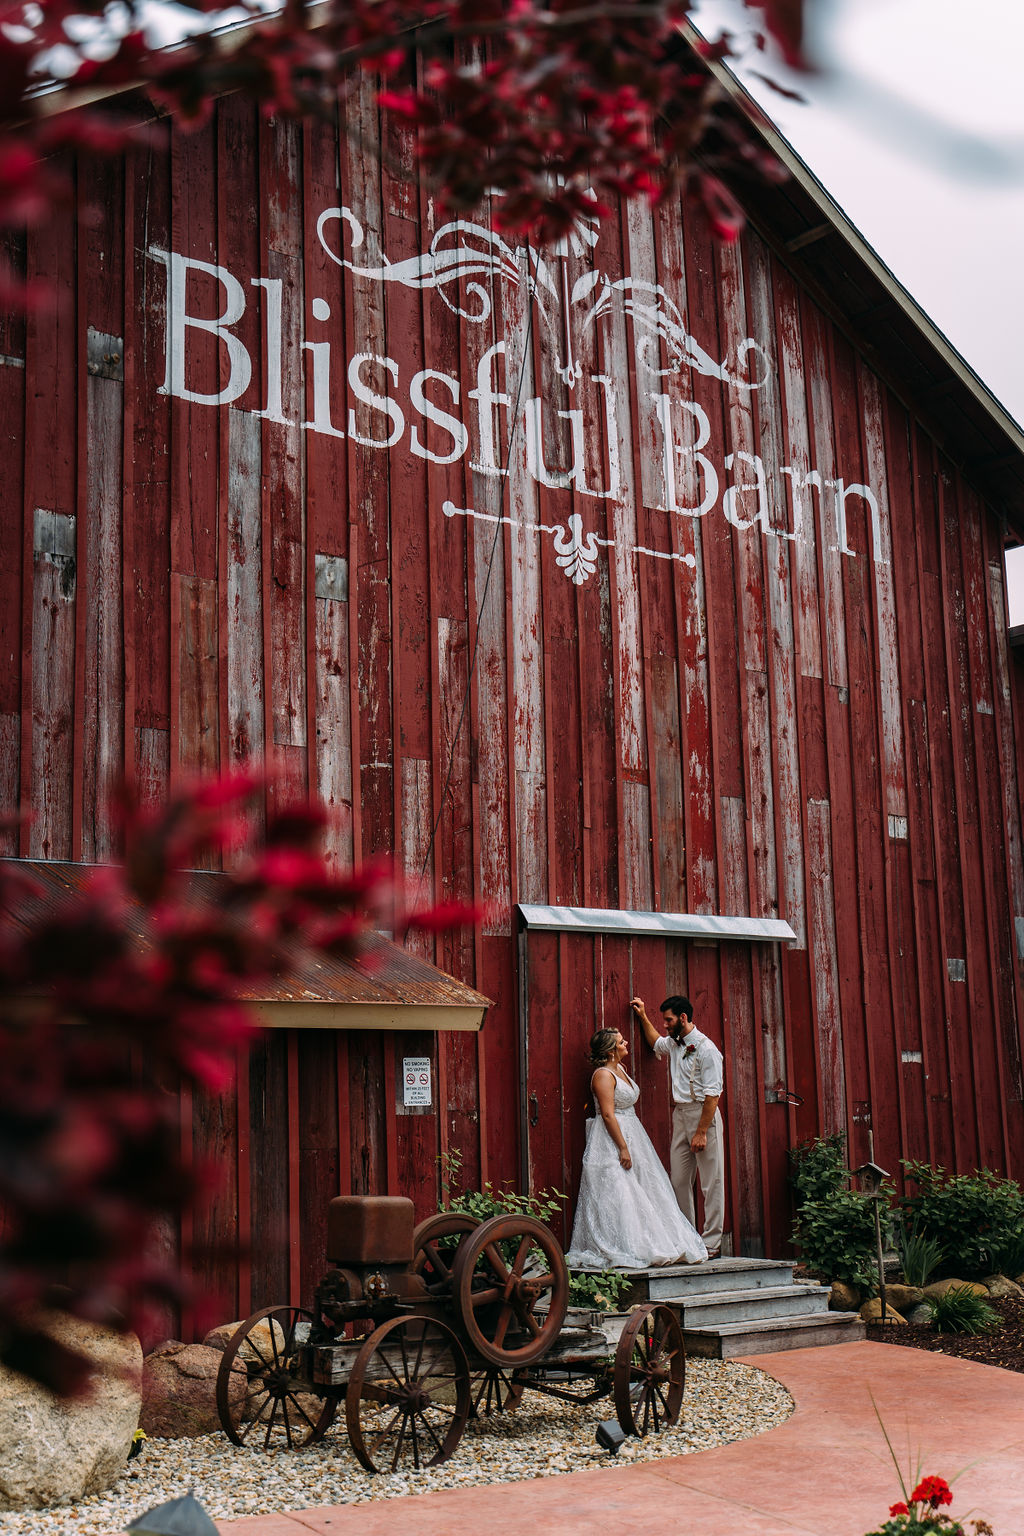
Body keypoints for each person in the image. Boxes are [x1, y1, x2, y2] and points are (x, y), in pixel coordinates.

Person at [565, 1027, 708, 1270]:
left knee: (645, 1188)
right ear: (611, 1050)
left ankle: (653, 1238)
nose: (626, 1043)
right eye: (621, 1042)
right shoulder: (602, 1075)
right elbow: (608, 1115)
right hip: (611, 1138)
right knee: (618, 1190)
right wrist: (622, 1147)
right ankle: (624, 1244)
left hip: (634, 1134)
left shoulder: (620, 1069)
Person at [631, 994, 725, 1259]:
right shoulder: (673, 1043)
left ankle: (712, 1241)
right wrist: (642, 1015)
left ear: (683, 1018)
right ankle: (687, 1236)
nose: (666, 1025)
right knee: (679, 1180)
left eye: (669, 1020)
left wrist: (702, 1131)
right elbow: (655, 1043)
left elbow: (713, 1095)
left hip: (703, 1115)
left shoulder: (707, 1050)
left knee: (711, 1181)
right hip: (680, 1115)